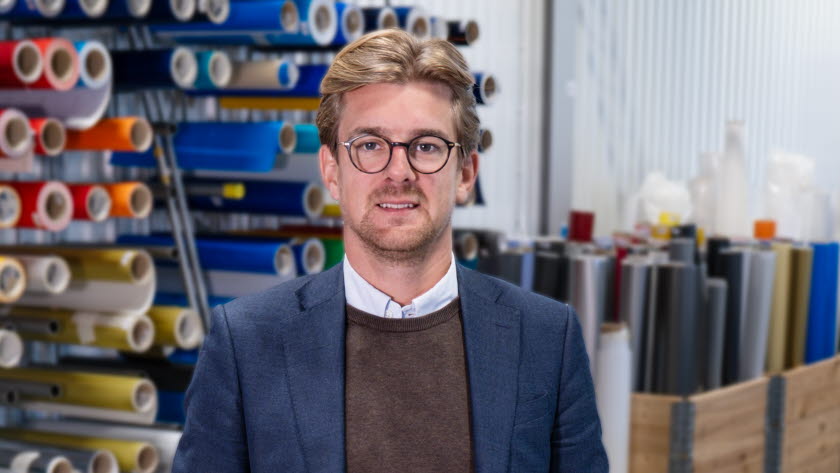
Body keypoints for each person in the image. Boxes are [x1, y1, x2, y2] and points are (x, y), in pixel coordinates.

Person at [173, 29, 608, 473]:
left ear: (465, 173)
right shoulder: (247, 342)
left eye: (426, 146)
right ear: (332, 171)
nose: (399, 172)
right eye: (369, 145)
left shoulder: (546, 338)